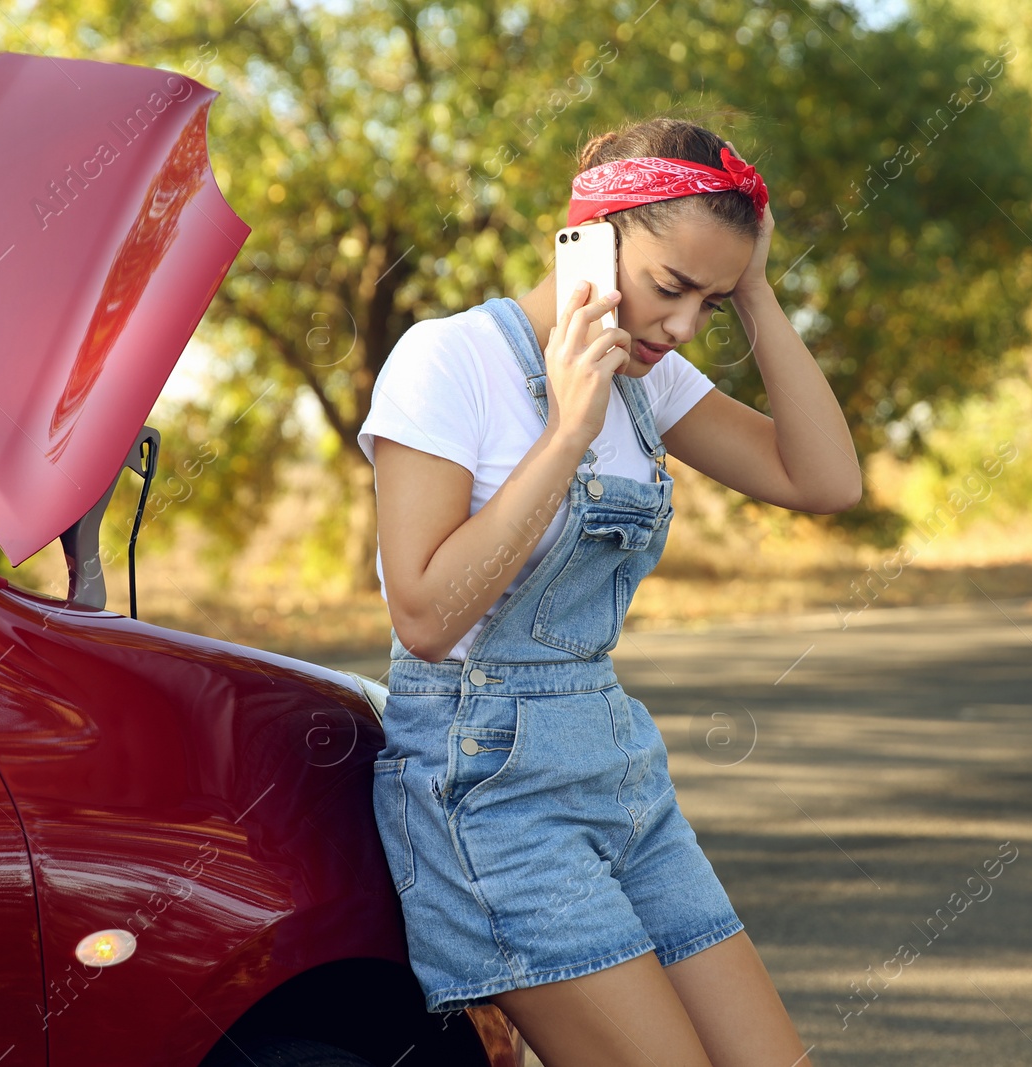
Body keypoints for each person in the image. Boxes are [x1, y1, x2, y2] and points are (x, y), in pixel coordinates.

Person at [356, 115, 859, 1067]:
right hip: (492, 790)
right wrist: (566, 430)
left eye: (707, 304)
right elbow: (423, 615)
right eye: (671, 286)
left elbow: (824, 481)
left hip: (618, 769)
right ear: (588, 236)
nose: (677, 327)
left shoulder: (651, 381)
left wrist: (751, 288)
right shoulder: (448, 359)